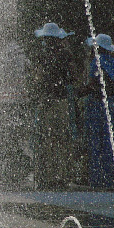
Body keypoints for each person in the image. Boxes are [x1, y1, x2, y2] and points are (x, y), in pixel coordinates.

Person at [31, 22, 83, 189]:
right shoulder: (65, 54)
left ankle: (45, 176)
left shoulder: (40, 54)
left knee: (46, 139)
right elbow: (73, 76)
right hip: (60, 101)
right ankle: (61, 176)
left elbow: (37, 78)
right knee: (62, 139)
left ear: (46, 38)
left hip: (46, 101)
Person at [77, 33, 114, 188]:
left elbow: (95, 82)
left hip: (98, 105)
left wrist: (79, 92)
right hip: (113, 103)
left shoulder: (96, 62)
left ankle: (99, 178)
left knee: (97, 141)